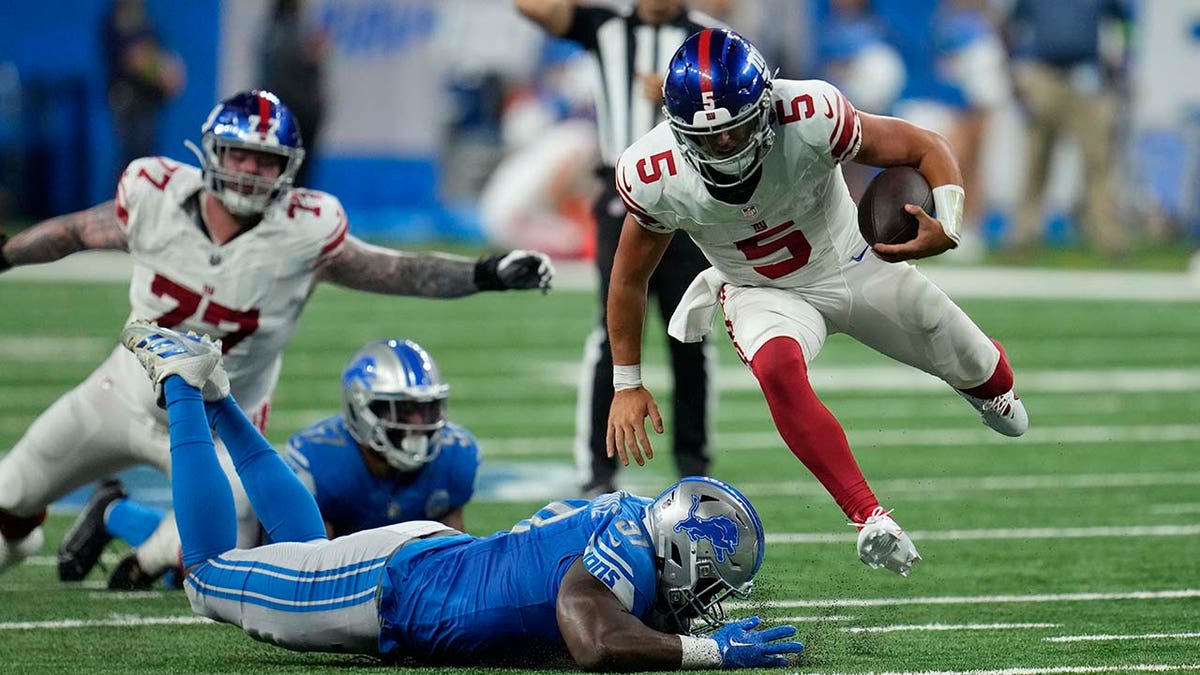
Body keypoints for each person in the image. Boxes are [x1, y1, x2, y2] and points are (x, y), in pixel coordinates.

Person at [0, 89, 553, 577]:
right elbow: (75, 231)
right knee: (9, 496)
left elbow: (396, 271)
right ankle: (30, 538)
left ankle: (119, 519)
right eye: (237, 152)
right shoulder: (154, 194)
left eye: (264, 160)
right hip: (121, 394)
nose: (247, 169)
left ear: (287, 168)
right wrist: (6, 253)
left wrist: (485, 274)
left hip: (224, 424)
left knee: (215, 557)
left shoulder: (304, 230)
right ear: (211, 151)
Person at [114, 321, 805, 669]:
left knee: (305, 552)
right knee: (205, 577)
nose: (708, 597)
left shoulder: (632, 526)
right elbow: (593, 639)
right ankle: (181, 384)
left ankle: (217, 394)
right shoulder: (626, 542)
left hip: (419, 567)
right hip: (391, 586)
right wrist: (703, 653)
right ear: (678, 546)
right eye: (708, 577)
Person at [605, 29, 1028, 577]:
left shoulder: (811, 113)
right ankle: (868, 515)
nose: (726, 147)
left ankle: (983, 389)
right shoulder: (653, 172)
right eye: (710, 138)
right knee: (777, 366)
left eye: (736, 130)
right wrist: (626, 383)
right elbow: (627, 279)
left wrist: (946, 223)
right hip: (761, 290)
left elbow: (925, 146)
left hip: (854, 261)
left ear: (764, 105)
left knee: (996, 385)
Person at [57, 337, 483, 589]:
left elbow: (450, 556)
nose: (420, 426)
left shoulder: (456, 455)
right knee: (202, 569)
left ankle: (113, 510)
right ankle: (124, 525)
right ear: (362, 408)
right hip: (284, 546)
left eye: (427, 411)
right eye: (403, 411)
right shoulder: (323, 457)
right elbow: (317, 567)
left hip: (373, 556)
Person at [515, 0, 719, 497]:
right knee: (611, 332)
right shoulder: (604, 26)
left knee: (690, 335)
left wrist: (682, 96)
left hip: (691, 194)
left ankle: (695, 464)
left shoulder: (705, 37)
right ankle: (597, 468)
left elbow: (740, 108)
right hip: (621, 194)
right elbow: (533, 9)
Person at [1005, 0, 1131, 256]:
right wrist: (1015, 69)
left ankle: (1108, 237)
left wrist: (1123, 61)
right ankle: (1022, 233)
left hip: (1087, 76)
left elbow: (1124, 23)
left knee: (1098, 160)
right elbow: (1012, 27)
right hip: (1043, 75)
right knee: (1036, 160)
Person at [102, 0, 186, 176]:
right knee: (133, 161)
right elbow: (133, 57)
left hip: (148, 103)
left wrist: (171, 70)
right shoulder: (122, 17)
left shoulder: (146, 16)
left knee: (146, 159)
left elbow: (160, 53)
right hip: (130, 103)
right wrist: (161, 73)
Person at [258, 0, 329, 188]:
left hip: (290, 112)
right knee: (291, 171)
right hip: (296, 113)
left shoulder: (274, 33)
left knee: (290, 170)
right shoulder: (291, 36)